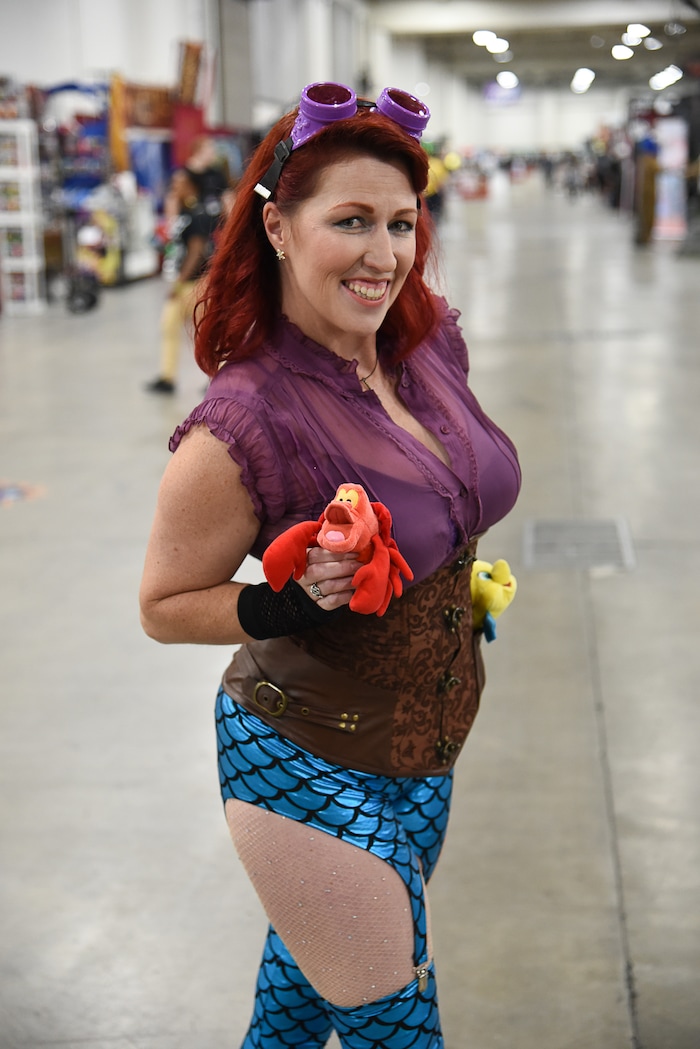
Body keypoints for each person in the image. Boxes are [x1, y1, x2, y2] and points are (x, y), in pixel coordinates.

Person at [139, 82, 521, 1048]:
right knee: (398, 1022)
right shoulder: (241, 422)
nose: (385, 254)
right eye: (351, 221)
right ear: (277, 227)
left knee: (299, 1001)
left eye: (401, 221)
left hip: (424, 747)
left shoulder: (429, 347)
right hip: (299, 756)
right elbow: (164, 602)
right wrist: (283, 605)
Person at [145, 168, 219, 394]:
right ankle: (167, 377)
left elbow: (196, 251)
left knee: (205, 334)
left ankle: (216, 377)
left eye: (179, 183)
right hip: (184, 283)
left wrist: (179, 281)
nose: (175, 187)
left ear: (191, 187)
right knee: (169, 327)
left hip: (196, 284)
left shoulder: (198, 215)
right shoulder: (183, 215)